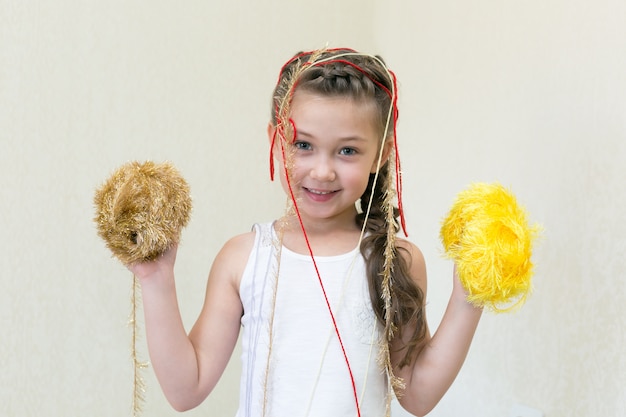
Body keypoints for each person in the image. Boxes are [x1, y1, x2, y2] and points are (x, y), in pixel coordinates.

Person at [129, 47, 482, 417]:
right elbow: (186, 389)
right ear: (276, 141)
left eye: (347, 150)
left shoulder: (398, 261)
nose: (322, 171)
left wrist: (468, 298)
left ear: (381, 154)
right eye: (303, 145)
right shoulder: (243, 258)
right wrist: (156, 279)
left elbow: (418, 396)